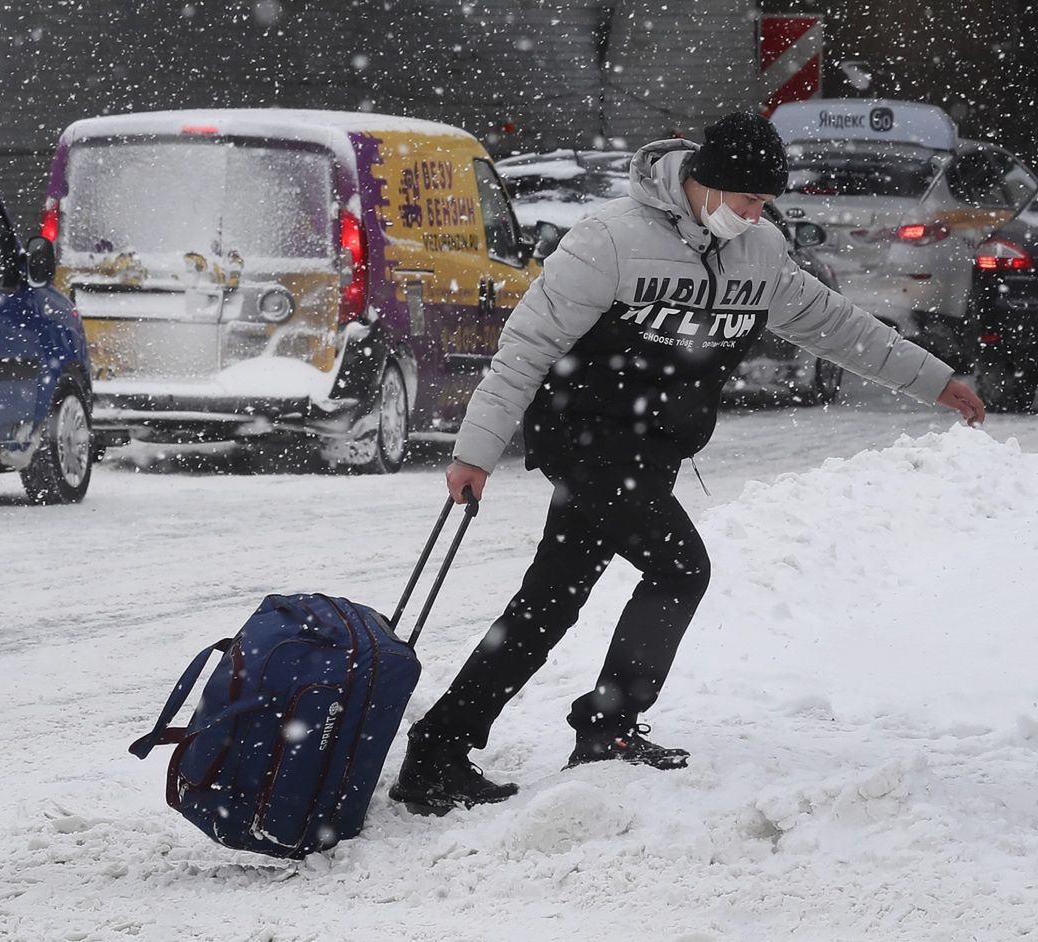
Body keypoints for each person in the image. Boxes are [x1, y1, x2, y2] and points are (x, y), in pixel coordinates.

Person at [389, 112, 985, 816]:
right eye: (748, 200)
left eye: (764, 204)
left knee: (551, 598)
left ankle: (439, 750)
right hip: (587, 440)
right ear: (705, 182)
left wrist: (935, 379)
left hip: (655, 449)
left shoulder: (758, 253)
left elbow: (837, 326)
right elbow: (527, 345)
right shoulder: (610, 240)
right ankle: (599, 729)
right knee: (679, 568)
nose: (757, 215)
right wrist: (474, 453)